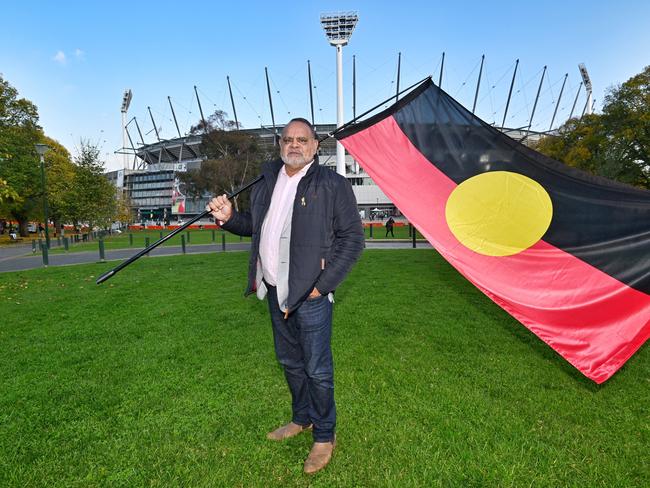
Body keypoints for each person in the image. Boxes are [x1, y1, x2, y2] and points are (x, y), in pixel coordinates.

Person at [207, 118, 364, 474]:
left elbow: (353, 240)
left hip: (310, 296)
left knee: (318, 369)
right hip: (274, 290)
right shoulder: (266, 180)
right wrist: (230, 217)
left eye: (302, 140)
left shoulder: (332, 185)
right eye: (288, 140)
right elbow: (257, 227)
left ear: (314, 146)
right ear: (280, 144)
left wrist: (321, 287)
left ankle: (325, 436)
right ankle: (302, 419)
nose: (295, 145)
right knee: (290, 362)